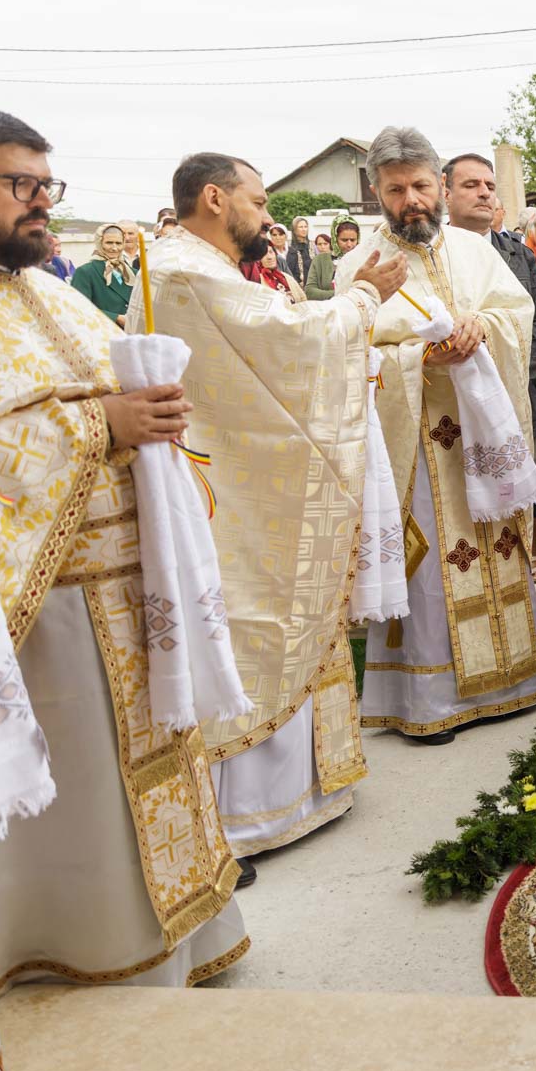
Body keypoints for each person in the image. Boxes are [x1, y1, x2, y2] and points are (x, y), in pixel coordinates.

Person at [0, 103, 247, 985]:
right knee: (78, 807)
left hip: (131, 588)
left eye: (47, 184)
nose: (42, 203)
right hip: (43, 611)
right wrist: (97, 426)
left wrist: (155, 409)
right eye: (22, 185)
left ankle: (184, 938)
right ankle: (71, 954)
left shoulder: (46, 286)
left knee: (147, 778)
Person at [143, 153, 406, 878]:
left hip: (248, 469)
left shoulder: (210, 269)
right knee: (248, 612)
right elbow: (289, 339)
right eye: (258, 202)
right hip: (225, 484)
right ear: (213, 197)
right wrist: (359, 296)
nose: (267, 217)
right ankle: (239, 814)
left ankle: (296, 795)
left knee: (275, 607)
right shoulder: (179, 269)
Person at [340, 127, 536, 744]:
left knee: (500, 549)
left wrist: (480, 325)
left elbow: (518, 313)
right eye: (397, 189)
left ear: (438, 185)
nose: (412, 200)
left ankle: (512, 683)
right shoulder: (359, 266)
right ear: (377, 192)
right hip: (416, 441)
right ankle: (429, 702)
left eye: (421, 185)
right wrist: (415, 359)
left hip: (484, 434)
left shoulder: (473, 248)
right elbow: (350, 353)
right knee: (432, 566)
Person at [443, 154, 536, 513]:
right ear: (445, 192)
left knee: (515, 511)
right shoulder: (430, 256)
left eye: (490, 186)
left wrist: (508, 375)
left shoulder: (518, 257)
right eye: (470, 185)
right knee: (459, 511)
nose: (483, 193)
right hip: (451, 407)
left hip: (519, 399)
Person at [71, 223, 136, 325]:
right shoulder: (85, 272)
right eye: (109, 243)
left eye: (118, 243)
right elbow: (78, 308)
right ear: (99, 243)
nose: (114, 248)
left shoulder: (132, 273)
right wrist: (116, 318)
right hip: (102, 332)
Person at [304, 232, 338, 300]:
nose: (322, 247)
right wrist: (335, 294)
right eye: (319, 244)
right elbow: (309, 289)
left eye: (325, 244)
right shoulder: (314, 262)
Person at [283, 214, 313, 285]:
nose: (304, 229)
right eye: (300, 227)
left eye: (305, 227)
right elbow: (290, 270)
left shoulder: (311, 246)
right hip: (299, 284)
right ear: (295, 229)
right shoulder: (291, 249)